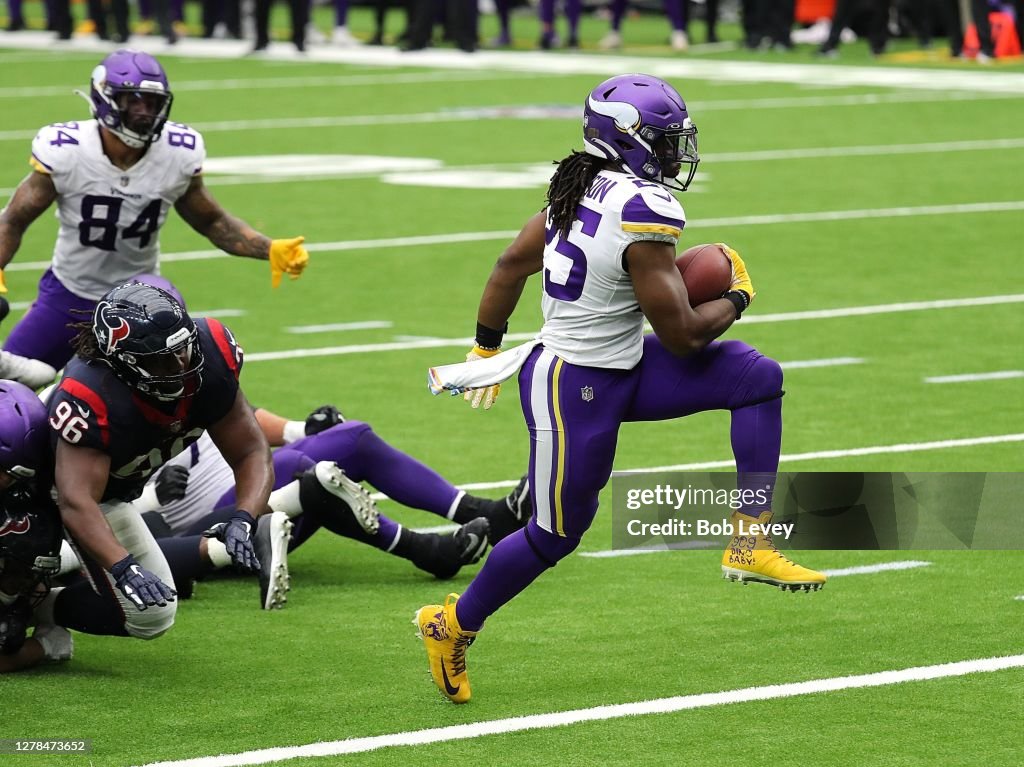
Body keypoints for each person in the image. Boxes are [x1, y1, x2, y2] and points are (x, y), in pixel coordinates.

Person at [416, 74, 826, 703]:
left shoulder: (576, 185)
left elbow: (507, 265)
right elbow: (687, 335)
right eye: (663, 141)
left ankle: (750, 538)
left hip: (622, 364)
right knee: (556, 534)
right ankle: (451, 625)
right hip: (571, 385)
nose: (673, 153)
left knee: (756, 377)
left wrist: (485, 345)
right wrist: (738, 295)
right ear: (629, 139)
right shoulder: (641, 207)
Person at [0, 49, 310, 383]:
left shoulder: (177, 151)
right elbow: (15, 219)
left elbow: (211, 221)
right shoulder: (67, 149)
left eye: (151, 102)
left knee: (175, 394)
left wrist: (268, 248)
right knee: (7, 383)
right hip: (68, 293)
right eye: (133, 101)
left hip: (140, 301)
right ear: (104, 98)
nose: (144, 112)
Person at [46, 281, 274, 642]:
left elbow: (251, 450)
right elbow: (75, 500)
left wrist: (244, 517)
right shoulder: (91, 394)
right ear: (124, 361)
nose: (181, 363)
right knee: (24, 553)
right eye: (162, 358)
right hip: (39, 488)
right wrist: (122, 566)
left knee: (152, 616)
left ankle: (39, 607)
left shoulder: (211, 354)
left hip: (109, 495)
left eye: (183, 349)